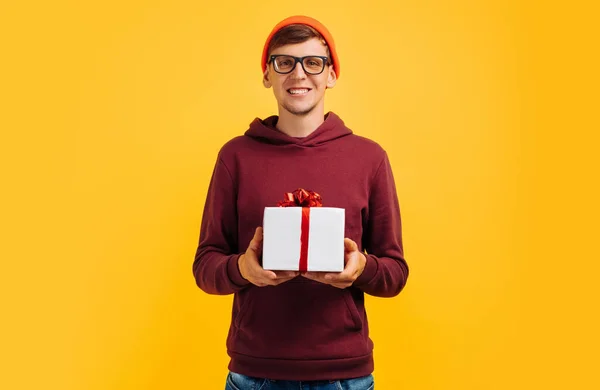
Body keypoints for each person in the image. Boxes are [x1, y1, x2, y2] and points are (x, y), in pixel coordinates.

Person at [193, 15, 409, 390]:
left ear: (331, 75)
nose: (299, 74)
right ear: (267, 74)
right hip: (254, 374)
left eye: (313, 62)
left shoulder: (369, 158)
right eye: (284, 62)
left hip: (345, 375)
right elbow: (205, 266)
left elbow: (395, 273)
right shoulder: (236, 156)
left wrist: (360, 269)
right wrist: (243, 269)